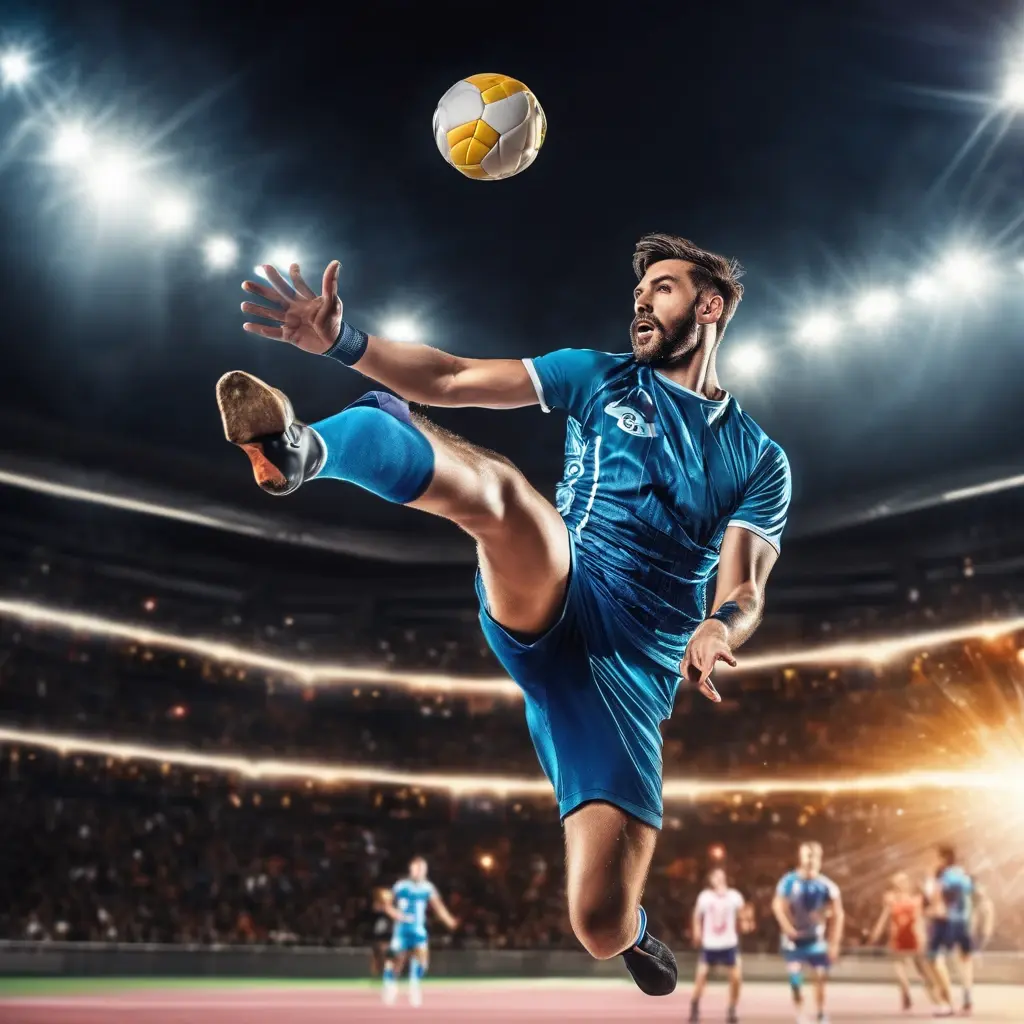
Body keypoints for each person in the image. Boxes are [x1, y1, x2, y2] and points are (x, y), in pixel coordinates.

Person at [219, 232, 791, 996]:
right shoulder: (598, 377)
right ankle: (303, 451)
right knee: (506, 501)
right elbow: (452, 377)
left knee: (597, 921)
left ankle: (636, 934)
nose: (641, 302)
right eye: (639, 291)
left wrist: (722, 625)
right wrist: (344, 342)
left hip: (632, 675)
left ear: (711, 305)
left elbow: (746, 587)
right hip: (564, 587)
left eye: (662, 288)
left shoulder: (758, 458)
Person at [772, 842, 844, 1024]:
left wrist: (834, 942)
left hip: (815, 939)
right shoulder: (788, 881)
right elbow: (777, 905)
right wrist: (787, 927)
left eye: (815, 856)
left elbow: (838, 913)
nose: (811, 860)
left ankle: (820, 1013)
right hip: (793, 940)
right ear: (801, 858)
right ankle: (801, 1013)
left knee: (820, 976)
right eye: (807, 856)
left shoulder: (827, 885)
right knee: (795, 979)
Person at [924, 845, 995, 1017]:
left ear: (942, 858)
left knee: (934, 959)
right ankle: (966, 998)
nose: (928, 859)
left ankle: (947, 1002)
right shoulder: (962, 874)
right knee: (963, 961)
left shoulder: (945, 876)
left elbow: (942, 898)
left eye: (932, 856)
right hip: (962, 922)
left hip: (947, 922)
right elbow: (976, 897)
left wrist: (938, 908)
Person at [381, 856, 457, 1007]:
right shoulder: (401, 886)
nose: (420, 872)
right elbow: (387, 905)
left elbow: (438, 906)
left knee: (423, 961)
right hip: (402, 930)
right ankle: (390, 986)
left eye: (423, 869)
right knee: (395, 961)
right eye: (417, 869)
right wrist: (397, 914)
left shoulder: (428, 887)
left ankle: (414, 985)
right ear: (411, 869)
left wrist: (448, 919)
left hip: (418, 930)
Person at [868, 871, 938, 1013]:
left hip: (900, 936)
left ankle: (906, 990)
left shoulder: (891, 898)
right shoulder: (915, 899)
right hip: (912, 936)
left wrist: (876, 931)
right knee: (921, 968)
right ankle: (933, 993)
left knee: (899, 966)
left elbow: (884, 915)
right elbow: (921, 918)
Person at [689, 867, 746, 1023]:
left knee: (736, 978)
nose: (718, 879)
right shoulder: (705, 897)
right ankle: (694, 1004)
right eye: (715, 877)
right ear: (711, 880)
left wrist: (745, 922)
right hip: (710, 944)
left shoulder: (734, 896)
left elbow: (743, 914)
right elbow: (696, 916)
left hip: (729, 943)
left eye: (721, 876)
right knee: (701, 978)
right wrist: (697, 932)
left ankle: (732, 1008)